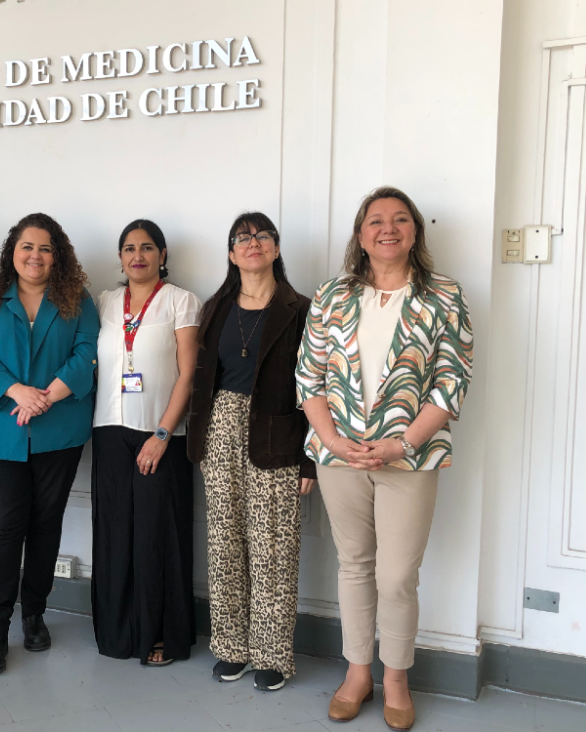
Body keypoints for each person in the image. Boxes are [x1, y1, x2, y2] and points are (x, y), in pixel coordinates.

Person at [296, 186, 473, 730]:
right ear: (360, 234)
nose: (387, 228)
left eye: (400, 219)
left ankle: (395, 677)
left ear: (415, 231)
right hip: (339, 454)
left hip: (409, 458)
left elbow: (452, 380)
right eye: (376, 220)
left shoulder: (443, 296)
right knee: (355, 566)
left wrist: (401, 443)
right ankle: (357, 673)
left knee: (397, 576)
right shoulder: (332, 295)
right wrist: (329, 439)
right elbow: (310, 374)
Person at [186, 212, 316, 692]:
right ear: (230, 253)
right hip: (220, 429)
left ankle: (272, 653)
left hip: (278, 435)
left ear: (277, 249)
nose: (252, 242)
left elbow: (314, 388)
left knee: (273, 546)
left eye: (262, 235)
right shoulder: (215, 307)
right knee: (224, 542)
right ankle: (231, 648)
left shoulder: (300, 308)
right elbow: (203, 379)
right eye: (242, 237)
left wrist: (310, 459)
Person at [0, 213, 99, 675]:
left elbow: (87, 353)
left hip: (58, 429)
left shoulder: (77, 299)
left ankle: (34, 614)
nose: (35, 256)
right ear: (13, 252)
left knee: (46, 524)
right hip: (0, 429)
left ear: (56, 255)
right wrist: (17, 391)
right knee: (6, 526)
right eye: (27, 246)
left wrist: (46, 396)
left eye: (45, 248)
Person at [91, 219, 200, 666]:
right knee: (115, 534)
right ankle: (118, 634)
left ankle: (160, 634)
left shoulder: (180, 301)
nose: (138, 255)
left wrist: (162, 433)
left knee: (158, 536)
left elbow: (189, 374)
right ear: (120, 257)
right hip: (108, 430)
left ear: (163, 255)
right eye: (129, 248)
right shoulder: (104, 302)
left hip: (161, 434)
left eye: (148, 247)